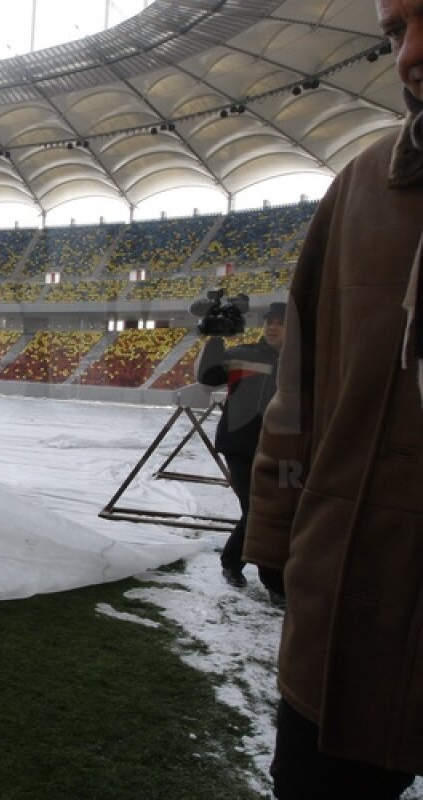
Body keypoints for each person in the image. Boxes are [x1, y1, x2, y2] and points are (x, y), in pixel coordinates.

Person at [243, 0, 423, 794]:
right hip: (349, 607)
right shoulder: (361, 188)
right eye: (395, 30)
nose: (411, 54)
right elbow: (297, 402)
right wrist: (277, 542)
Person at [196, 302, 287, 603]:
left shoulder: (303, 362)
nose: (272, 327)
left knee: (265, 511)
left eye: (280, 322)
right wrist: (215, 338)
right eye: (269, 322)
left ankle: (232, 562)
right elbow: (208, 377)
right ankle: (274, 582)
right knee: (258, 511)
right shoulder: (245, 354)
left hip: (281, 448)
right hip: (240, 447)